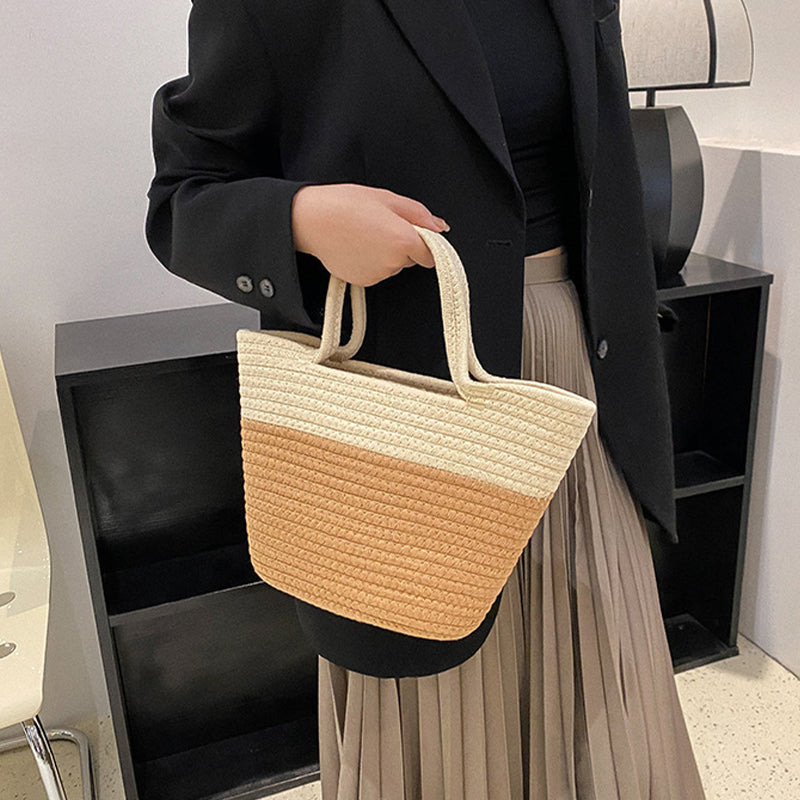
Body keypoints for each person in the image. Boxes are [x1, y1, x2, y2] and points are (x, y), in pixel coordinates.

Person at [145, 0, 707, 796]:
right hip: (407, 401)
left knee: (601, 666)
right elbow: (183, 197)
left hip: (573, 379)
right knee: (438, 697)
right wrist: (304, 218)